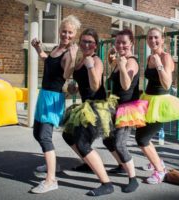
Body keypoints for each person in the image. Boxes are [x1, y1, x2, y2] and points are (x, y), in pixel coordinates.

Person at [62, 28, 117, 196]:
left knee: (82, 143)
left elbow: (95, 86)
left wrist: (91, 66)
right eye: (83, 41)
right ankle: (88, 162)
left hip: (97, 107)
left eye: (90, 42)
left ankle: (106, 183)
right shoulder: (80, 60)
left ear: (95, 45)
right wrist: (74, 87)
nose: (86, 45)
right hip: (85, 105)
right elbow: (80, 84)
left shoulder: (96, 60)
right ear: (79, 43)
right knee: (68, 135)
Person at [30, 15, 81, 194]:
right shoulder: (57, 48)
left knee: (44, 135)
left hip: (53, 98)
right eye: (64, 31)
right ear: (60, 31)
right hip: (44, 95)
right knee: (37, 132)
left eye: (70, 32)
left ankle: (51, 180)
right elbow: (47, 60)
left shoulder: (68, 53)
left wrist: (73, 57)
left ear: (74, 35)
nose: (66, 35)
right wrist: (38, 48)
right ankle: (52, 164)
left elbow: (66, 75)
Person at [135, 27, 179, 184]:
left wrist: (159, 64)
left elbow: (167, 84)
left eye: (156, 38)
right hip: (148, 99)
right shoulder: (149, 57)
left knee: (142, 139)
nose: (152, 41)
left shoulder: (166, 57)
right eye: (149, 38)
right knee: (143, 135)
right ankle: (157, 161)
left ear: (162, 40)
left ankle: (160, 171)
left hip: (160, 102)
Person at [102, 29, 148, 193]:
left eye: (124, 42)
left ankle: (133, 179)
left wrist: (121, 66)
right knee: (107, 140)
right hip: (115, 105)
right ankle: (122, 165)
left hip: (127, 108)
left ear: (131, 44)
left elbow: (126, 85)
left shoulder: (131, 62)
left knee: (119, 144)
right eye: (117, 42)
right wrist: (113, 60)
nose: (120, 45)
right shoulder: (121, 60)